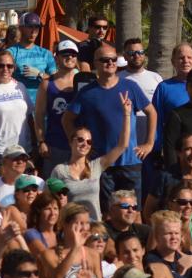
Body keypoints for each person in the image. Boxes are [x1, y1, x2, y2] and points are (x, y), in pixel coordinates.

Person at [66, 44, 154, 209]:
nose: (110, 63)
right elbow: (67, 119)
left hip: (130, 162)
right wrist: (78, 146)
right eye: (105, 60)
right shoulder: (86, 93)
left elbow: (152, 112)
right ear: (95, 63)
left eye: (114, 59)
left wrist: (149, 143)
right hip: (101, 164)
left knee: (133, 211)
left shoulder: (130, 86)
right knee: (107, 211)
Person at [50, 89, 133, 221]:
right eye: (80, 140)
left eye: (89, 141)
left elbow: (122, 145)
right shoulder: (59, 170)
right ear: (71, 142)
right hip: (72, 225)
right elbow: (51, 202)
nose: (85, 144)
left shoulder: (96, 166)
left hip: (95, 226)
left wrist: (127, 114)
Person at [34, 39, 79, 173]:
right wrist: (41, 142)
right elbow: (39, 115)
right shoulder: (47, 84)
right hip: (55, 145)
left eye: (73, 54)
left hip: (81, 145)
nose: (70, 57)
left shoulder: (84, 81)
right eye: (65, 54)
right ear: (56, 58)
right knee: (53, 189)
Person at [7, 11, 56, 102]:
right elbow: (1, 79)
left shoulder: (46, 53)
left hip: (41, 107)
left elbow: (56, 82)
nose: (34, 31)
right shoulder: (10, 53)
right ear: (21, 28)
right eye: (30, 27)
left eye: (37, 27)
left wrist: (40, 74)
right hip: (17, 105)